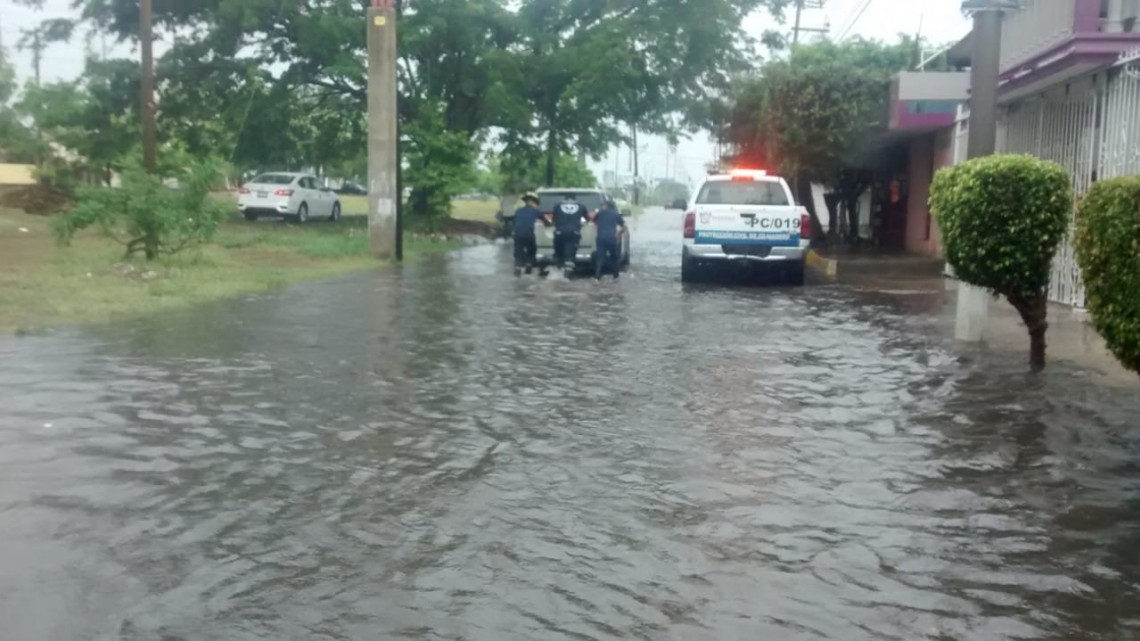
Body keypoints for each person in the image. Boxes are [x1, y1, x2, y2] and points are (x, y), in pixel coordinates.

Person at [552, 194, 588, 269]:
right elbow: (587, 218)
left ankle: (559, 264)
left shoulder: (557, 205)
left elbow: (553, 218)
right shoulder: (581, 206)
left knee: (558, 249)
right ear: (575, 199)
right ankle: (569, 262)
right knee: (571, 248)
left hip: (559, 232)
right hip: (574, 232)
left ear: (565, 199)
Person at [593, 199, 626, 280]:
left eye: (603, 205)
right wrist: (618, 233)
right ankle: (615, 277)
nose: (602, 206)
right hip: (612, 238)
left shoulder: (600, 213)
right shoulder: (616, 214)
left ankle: (597, 278)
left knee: (600, 259)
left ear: (606, 206)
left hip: (601, 237)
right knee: (614, 258)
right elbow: (624, 226)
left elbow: (593, 221)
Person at [512, 194, 545, 275]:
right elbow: (545, 220)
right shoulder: (536, 211)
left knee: (518, 250)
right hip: (529, 234)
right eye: (535, 203)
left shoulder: (518, 210)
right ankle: (529, 264)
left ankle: (518, 266)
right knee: (532, 249)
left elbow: (514, 221)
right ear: (531, 203)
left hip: (518, 233)